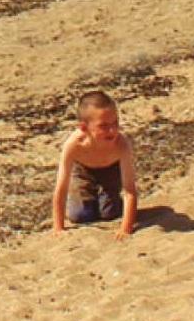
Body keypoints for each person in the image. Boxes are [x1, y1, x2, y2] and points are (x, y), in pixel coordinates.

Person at [51, 89, 139, 235]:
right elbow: (61, 188)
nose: (112, 130)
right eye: (103, 126)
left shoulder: (122, 144)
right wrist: (58, 227)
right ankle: (88, 196)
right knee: (80, 215)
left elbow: (130, 190)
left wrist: (125, 229)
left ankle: (106, 198)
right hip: (82, 171)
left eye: (115, 123)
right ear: (84, 128)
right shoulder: (73, 144)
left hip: (111, 170)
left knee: (110, 213)